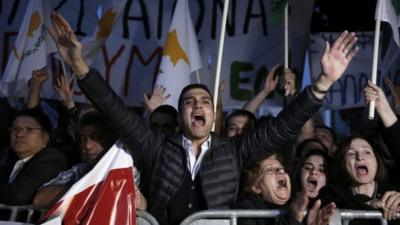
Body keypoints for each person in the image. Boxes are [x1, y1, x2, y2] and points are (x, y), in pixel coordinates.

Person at [48, 11, 359, 225]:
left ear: (213, 114)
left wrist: (323, 82)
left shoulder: (234, 151)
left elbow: (284, 126)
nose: (198, 105)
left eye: (205, 101)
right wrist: (79, 66)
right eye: (189, 101)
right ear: (182, 114)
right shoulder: (156, 146)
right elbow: (113, 110)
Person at [234, 154, 336, 225]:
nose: (281, 171)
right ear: (256, 187)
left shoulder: (296, 209)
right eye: (270, 170)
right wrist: (294, 219)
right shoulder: (246, 211)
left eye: (282, 168)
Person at [318, 135, 400, 224]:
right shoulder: (331, 194)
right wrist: (368, 204)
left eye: (367, 152)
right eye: (351, 153)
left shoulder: (393, 191)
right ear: (342, 163)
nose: (360, 157)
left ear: (376, 161)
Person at [0, 109, 68, 205]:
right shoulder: (8, 159)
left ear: (45, 137)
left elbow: (19, 195)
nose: (19, 134)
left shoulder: (52, 159)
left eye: (29, 129)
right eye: (15, 129)